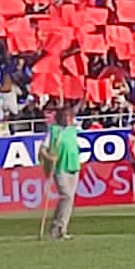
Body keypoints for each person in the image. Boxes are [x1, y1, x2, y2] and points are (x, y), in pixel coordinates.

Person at [38, 103, 83, 240]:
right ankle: (56, 226)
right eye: (66, 116)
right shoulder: (53, 131)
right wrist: (49, 157)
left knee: (70, 199)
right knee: (66, 196)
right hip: (60, 166)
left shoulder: (73, 130)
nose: (69, 119)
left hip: (73, 165)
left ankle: (62, 229)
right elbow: (43, 149)